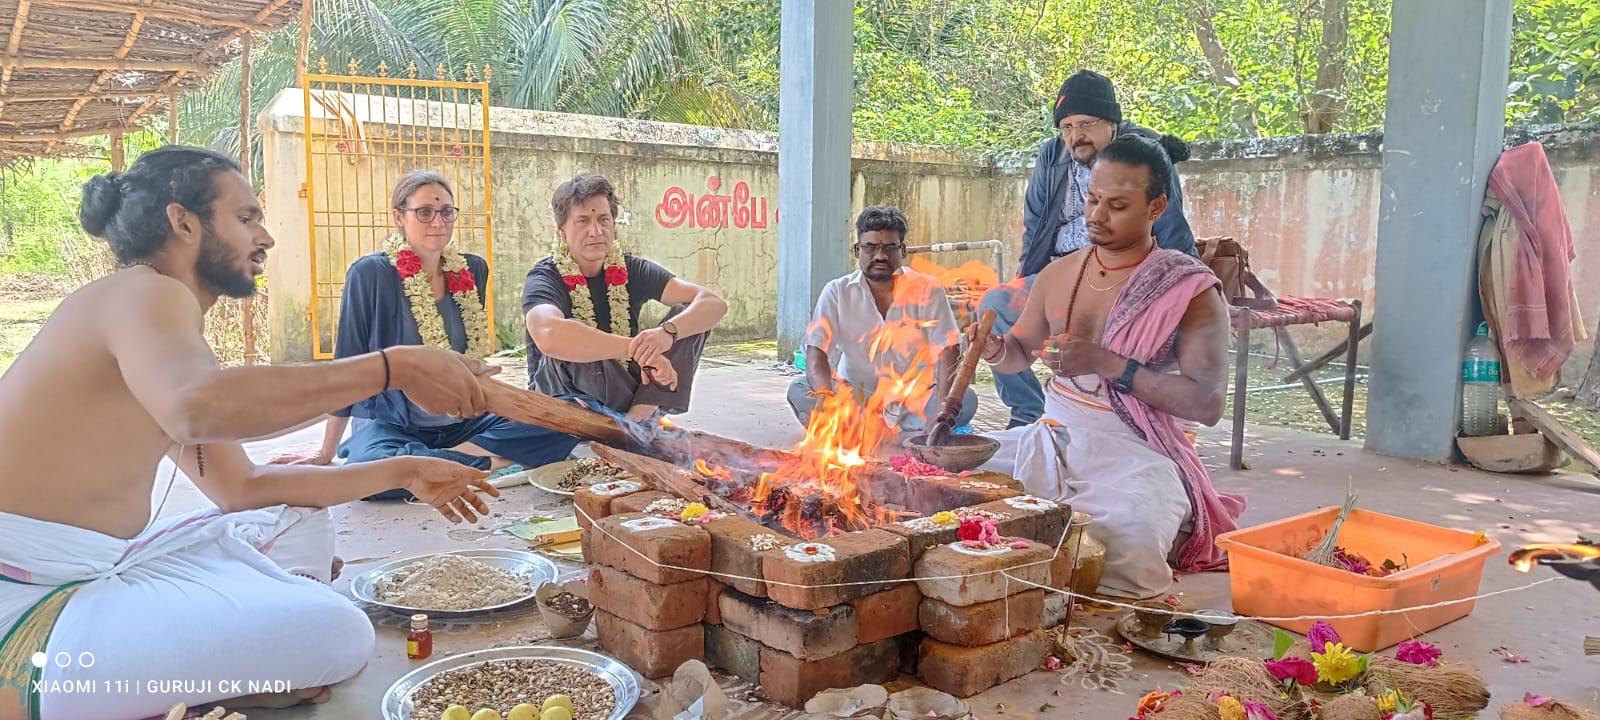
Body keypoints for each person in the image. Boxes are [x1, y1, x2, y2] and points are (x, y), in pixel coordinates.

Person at [0, 146, 501, 720]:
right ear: (182, 221)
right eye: (245, 218)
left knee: (301, 518)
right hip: (27, 611)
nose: (265, 237)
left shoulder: (154, 316)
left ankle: (222, 658)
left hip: (98, 566)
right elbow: (196, 408)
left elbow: (241, 488)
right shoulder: (145, 292)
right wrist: (393, 368)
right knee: (336, 633)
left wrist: (405, 471)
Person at [971, 136, 1244, 600]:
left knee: (1130, 541)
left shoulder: (1189, 290)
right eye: (1092, 199)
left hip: (1137, 450)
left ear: (1156, 207)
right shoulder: (1060, 274)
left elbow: (1207, 403)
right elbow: (1020, 350)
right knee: (949, 485)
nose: (1096, 215)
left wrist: (1106, 363)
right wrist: (994, 350)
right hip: (1053, 436)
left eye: (1116, 205)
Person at [270, 170, 601, 499]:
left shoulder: (472, 269)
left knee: (568, 416)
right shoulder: (370, 274)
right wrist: (325, 452)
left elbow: (468, 357)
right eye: (424, 212)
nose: (438, 222)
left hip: (463, 423)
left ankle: (441, 463)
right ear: (399, 217)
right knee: (371, 469)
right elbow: (348, 360)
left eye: (446, 212)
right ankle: (491, 461)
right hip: (393, 424)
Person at [983, 69, 1198, 428]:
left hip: (1123, 276)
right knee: (997, 304)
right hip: (1062, 275)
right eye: (1066, 127)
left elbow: (1172, 228)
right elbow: (1036, 228)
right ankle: (1027, 412)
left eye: (1086, 124)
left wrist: (1190, 289)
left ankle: (1121, 419)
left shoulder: (1142, 153)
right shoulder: (1051, 157)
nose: (1075, 135)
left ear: (1112, 123)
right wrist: (1025, 283)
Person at [523, 172, 728, 422]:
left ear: (614, 225)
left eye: (603, 219)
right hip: (564, 398)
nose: (595, 231)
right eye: (583, 221)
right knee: (573, 336)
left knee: (689, 313)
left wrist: (665, 335)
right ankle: (630, 424)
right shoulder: (545, 277)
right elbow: (548, 334)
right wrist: (639, 349)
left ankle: (637, 419)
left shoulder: (630, 268)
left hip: (625, 394)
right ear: (561, 231)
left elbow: (713, 304)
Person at [787, 206, 978, 434]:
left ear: (903, 250)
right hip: (854, 400)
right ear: (857, 250)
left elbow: (948, 348)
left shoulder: (928, 289)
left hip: (914, 401)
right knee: (799, 389)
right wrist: (825, 395)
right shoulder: (837, 291)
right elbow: (816, 350)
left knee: (965, 399)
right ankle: (886, 434)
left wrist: (941, 408)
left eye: (890, 248)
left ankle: (872, 434)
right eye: (870, 247)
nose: (880, 256)